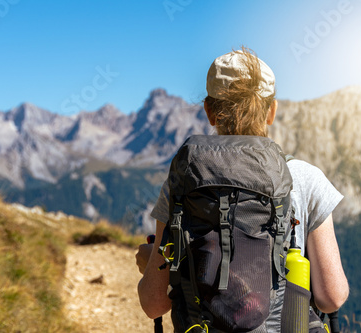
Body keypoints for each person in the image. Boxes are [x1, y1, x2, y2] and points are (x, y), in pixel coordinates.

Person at [136, 47, 349, 323]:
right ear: (271, 111)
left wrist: (151, 260)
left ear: (209, 112)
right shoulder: (306, 179)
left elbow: (154, 304)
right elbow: (331, 297)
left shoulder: (184, 178)